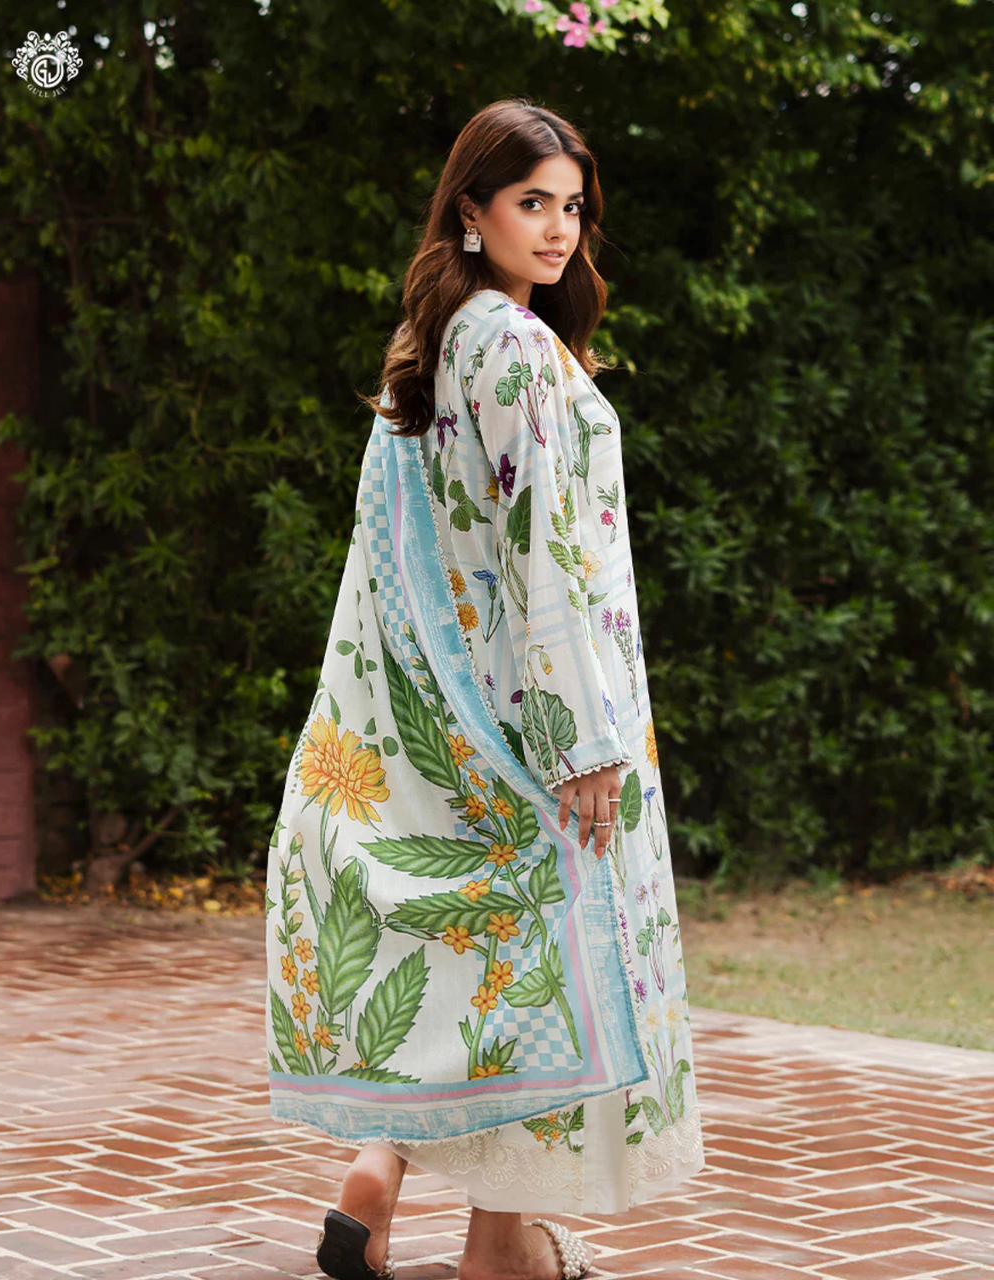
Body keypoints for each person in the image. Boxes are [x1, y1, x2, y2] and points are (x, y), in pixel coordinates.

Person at [264, 97, 706, 1280]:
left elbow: (389, 565)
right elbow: (543, 550)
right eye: (530, 204)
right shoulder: (510, 348)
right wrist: (581, 736)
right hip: (541, 712)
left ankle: (429, 1201)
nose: (557, 230)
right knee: (550, 961)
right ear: (470, 210)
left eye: (570, 207)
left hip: (461, 705)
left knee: (497, 959)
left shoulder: (436, 341)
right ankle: (502, 1254)